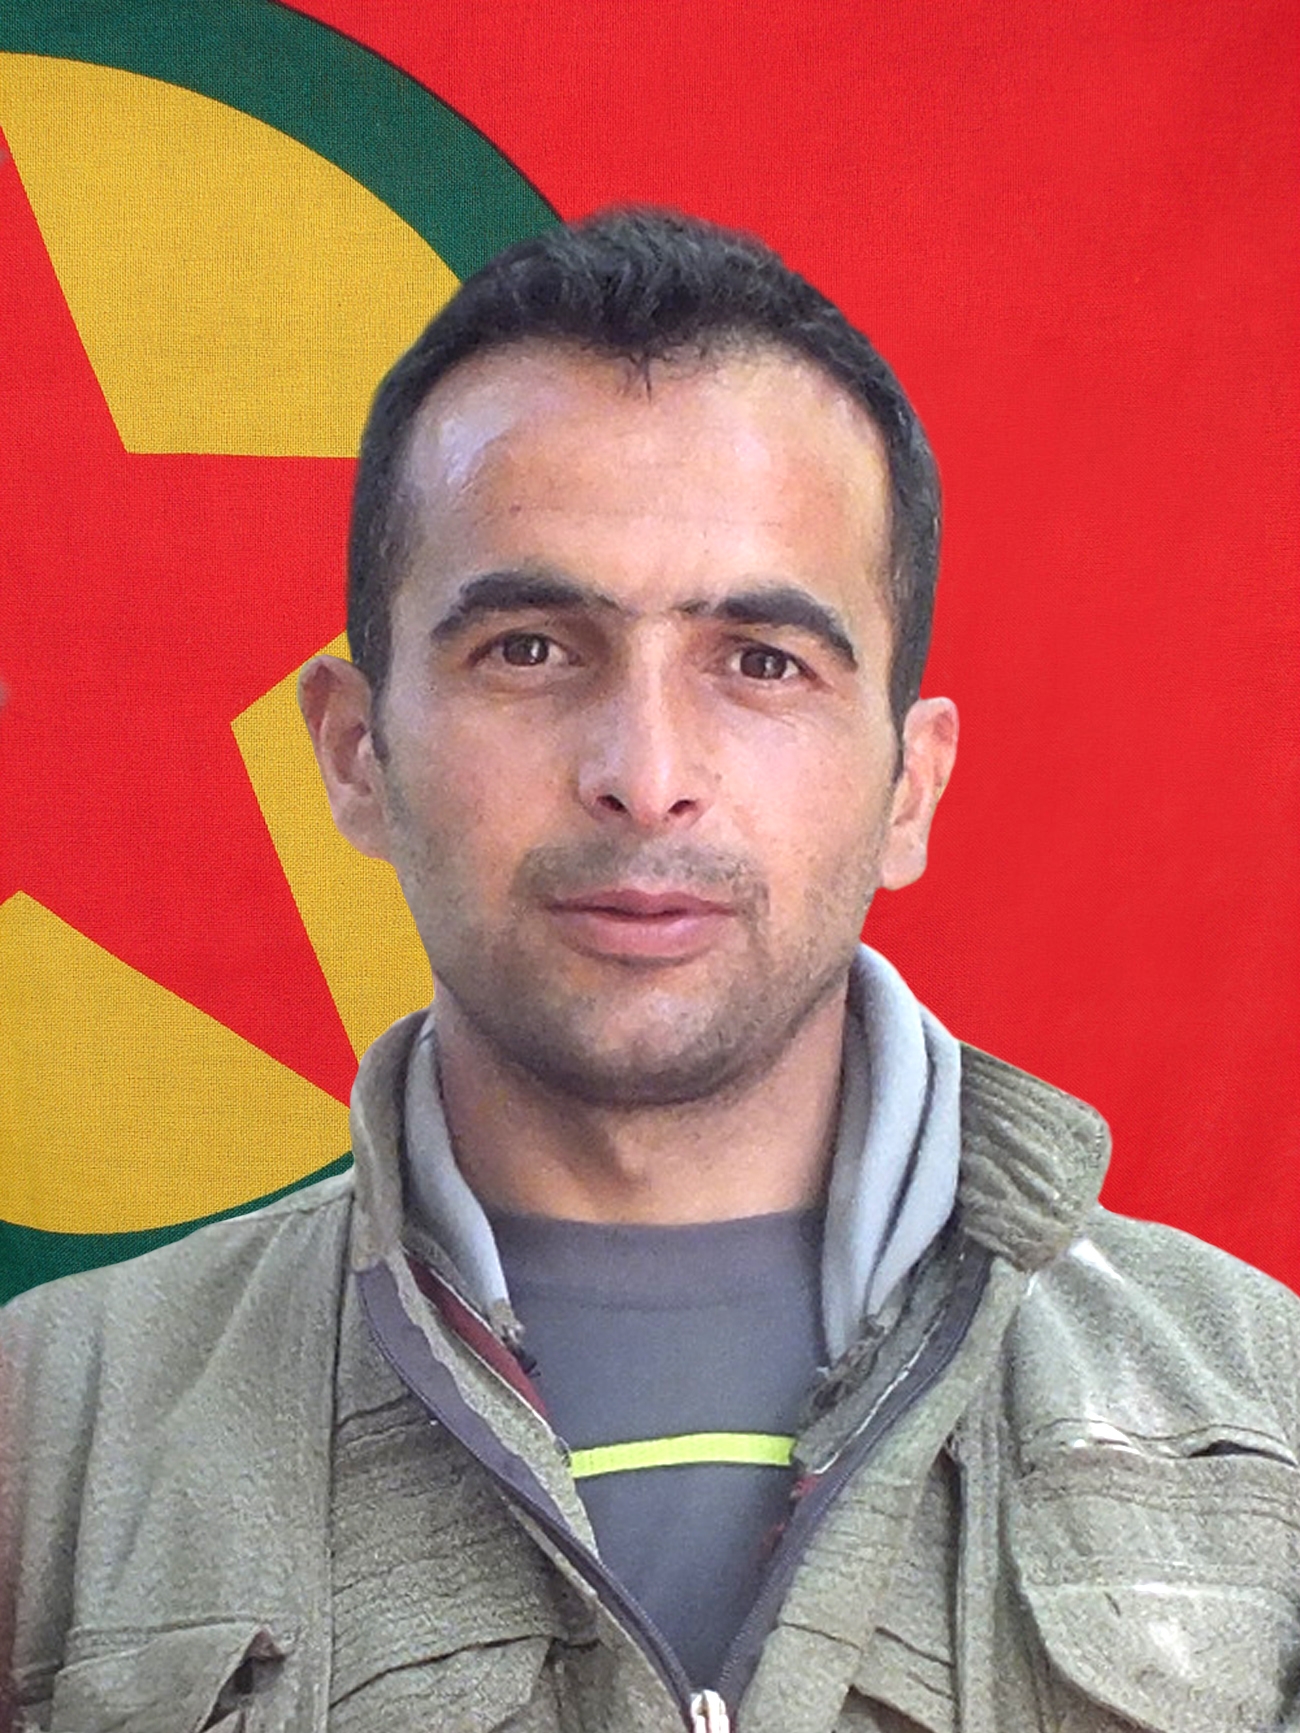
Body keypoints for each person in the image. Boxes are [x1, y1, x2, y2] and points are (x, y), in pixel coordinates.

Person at [3, 209, 1297, 1733]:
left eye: (761, 660)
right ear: (357, 751)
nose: (646, 772)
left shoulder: (1266, 1410)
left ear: (910, 786)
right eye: (531, 649)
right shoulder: (49, 1433)